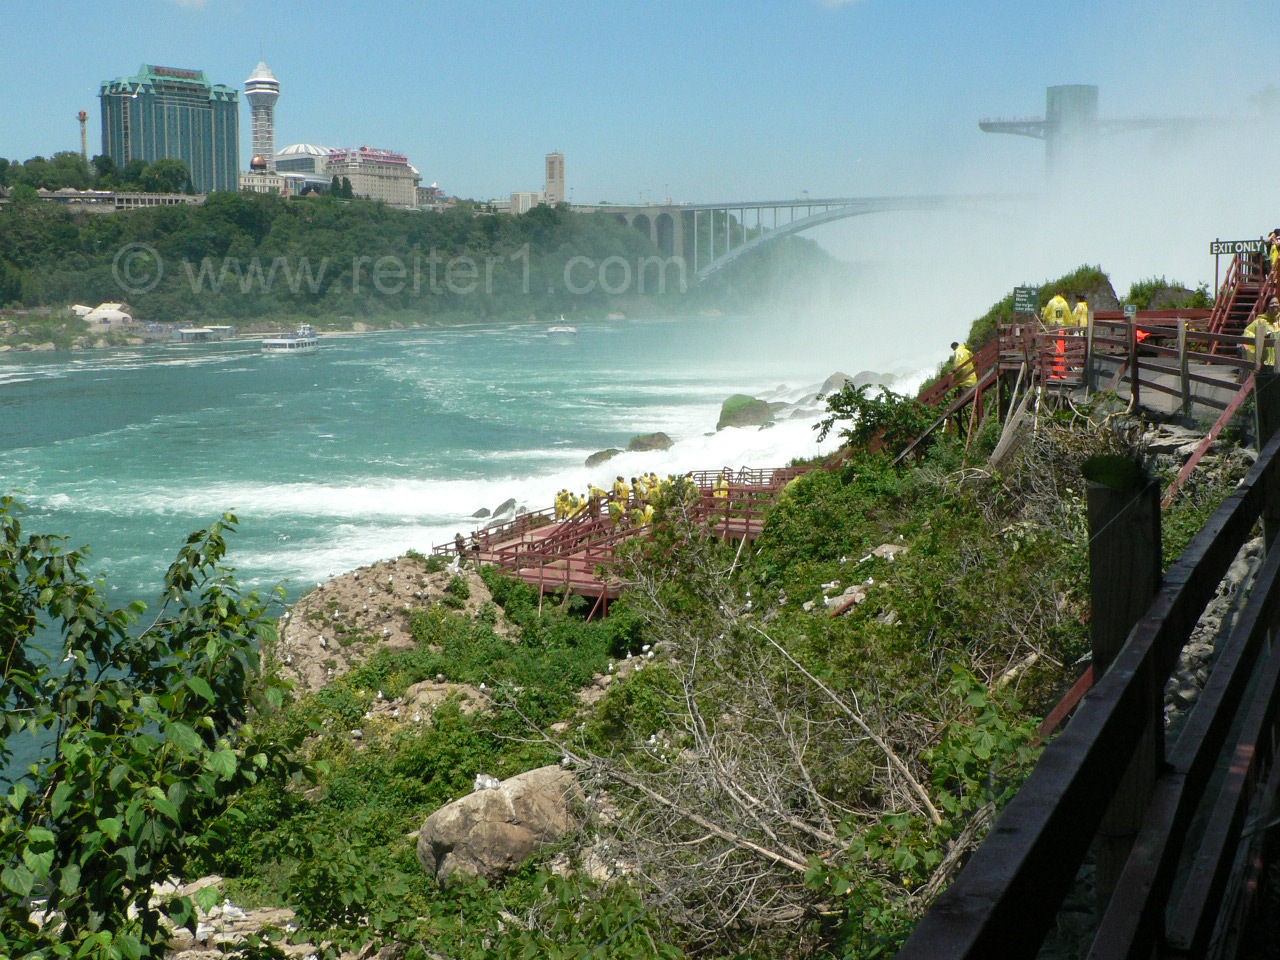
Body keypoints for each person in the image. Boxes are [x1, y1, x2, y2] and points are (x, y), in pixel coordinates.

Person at [1244, 299, 1279, 368]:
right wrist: (1261, 338)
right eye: (1272, 303)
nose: (1274, 305)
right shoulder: (1260, 321)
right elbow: (1247, 332)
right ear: (1267, 306)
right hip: (1265, 361)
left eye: (1276, 303)